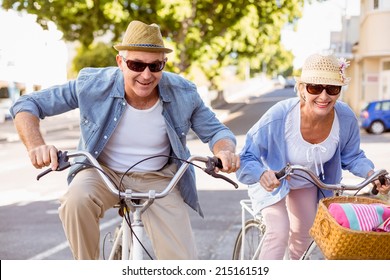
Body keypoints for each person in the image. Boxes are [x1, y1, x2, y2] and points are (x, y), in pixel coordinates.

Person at [10, 20, 240, 260]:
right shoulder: (93, 85)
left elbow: (218, 133)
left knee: (182, 262)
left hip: (159, 178)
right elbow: (27, 104)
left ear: (164, 64)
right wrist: (36, 146)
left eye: (155, 65)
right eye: (136, 64)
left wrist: (225, 152)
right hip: (102, 172)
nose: (146, 74)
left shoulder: (184, 92)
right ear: (120, 62)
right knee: (75, 202)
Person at [236, 53, 390, 260]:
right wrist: (262, 173)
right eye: (315, 88)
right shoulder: (279, 116)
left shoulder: (345, 119)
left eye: (332, 89)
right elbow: (246, 157)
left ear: (339, 91)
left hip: (308, 183)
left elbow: (352, 156)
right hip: (271, 181)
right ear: (301, 88)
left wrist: (372, 174)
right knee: (278, 232)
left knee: (304, 239)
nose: (324, 96)